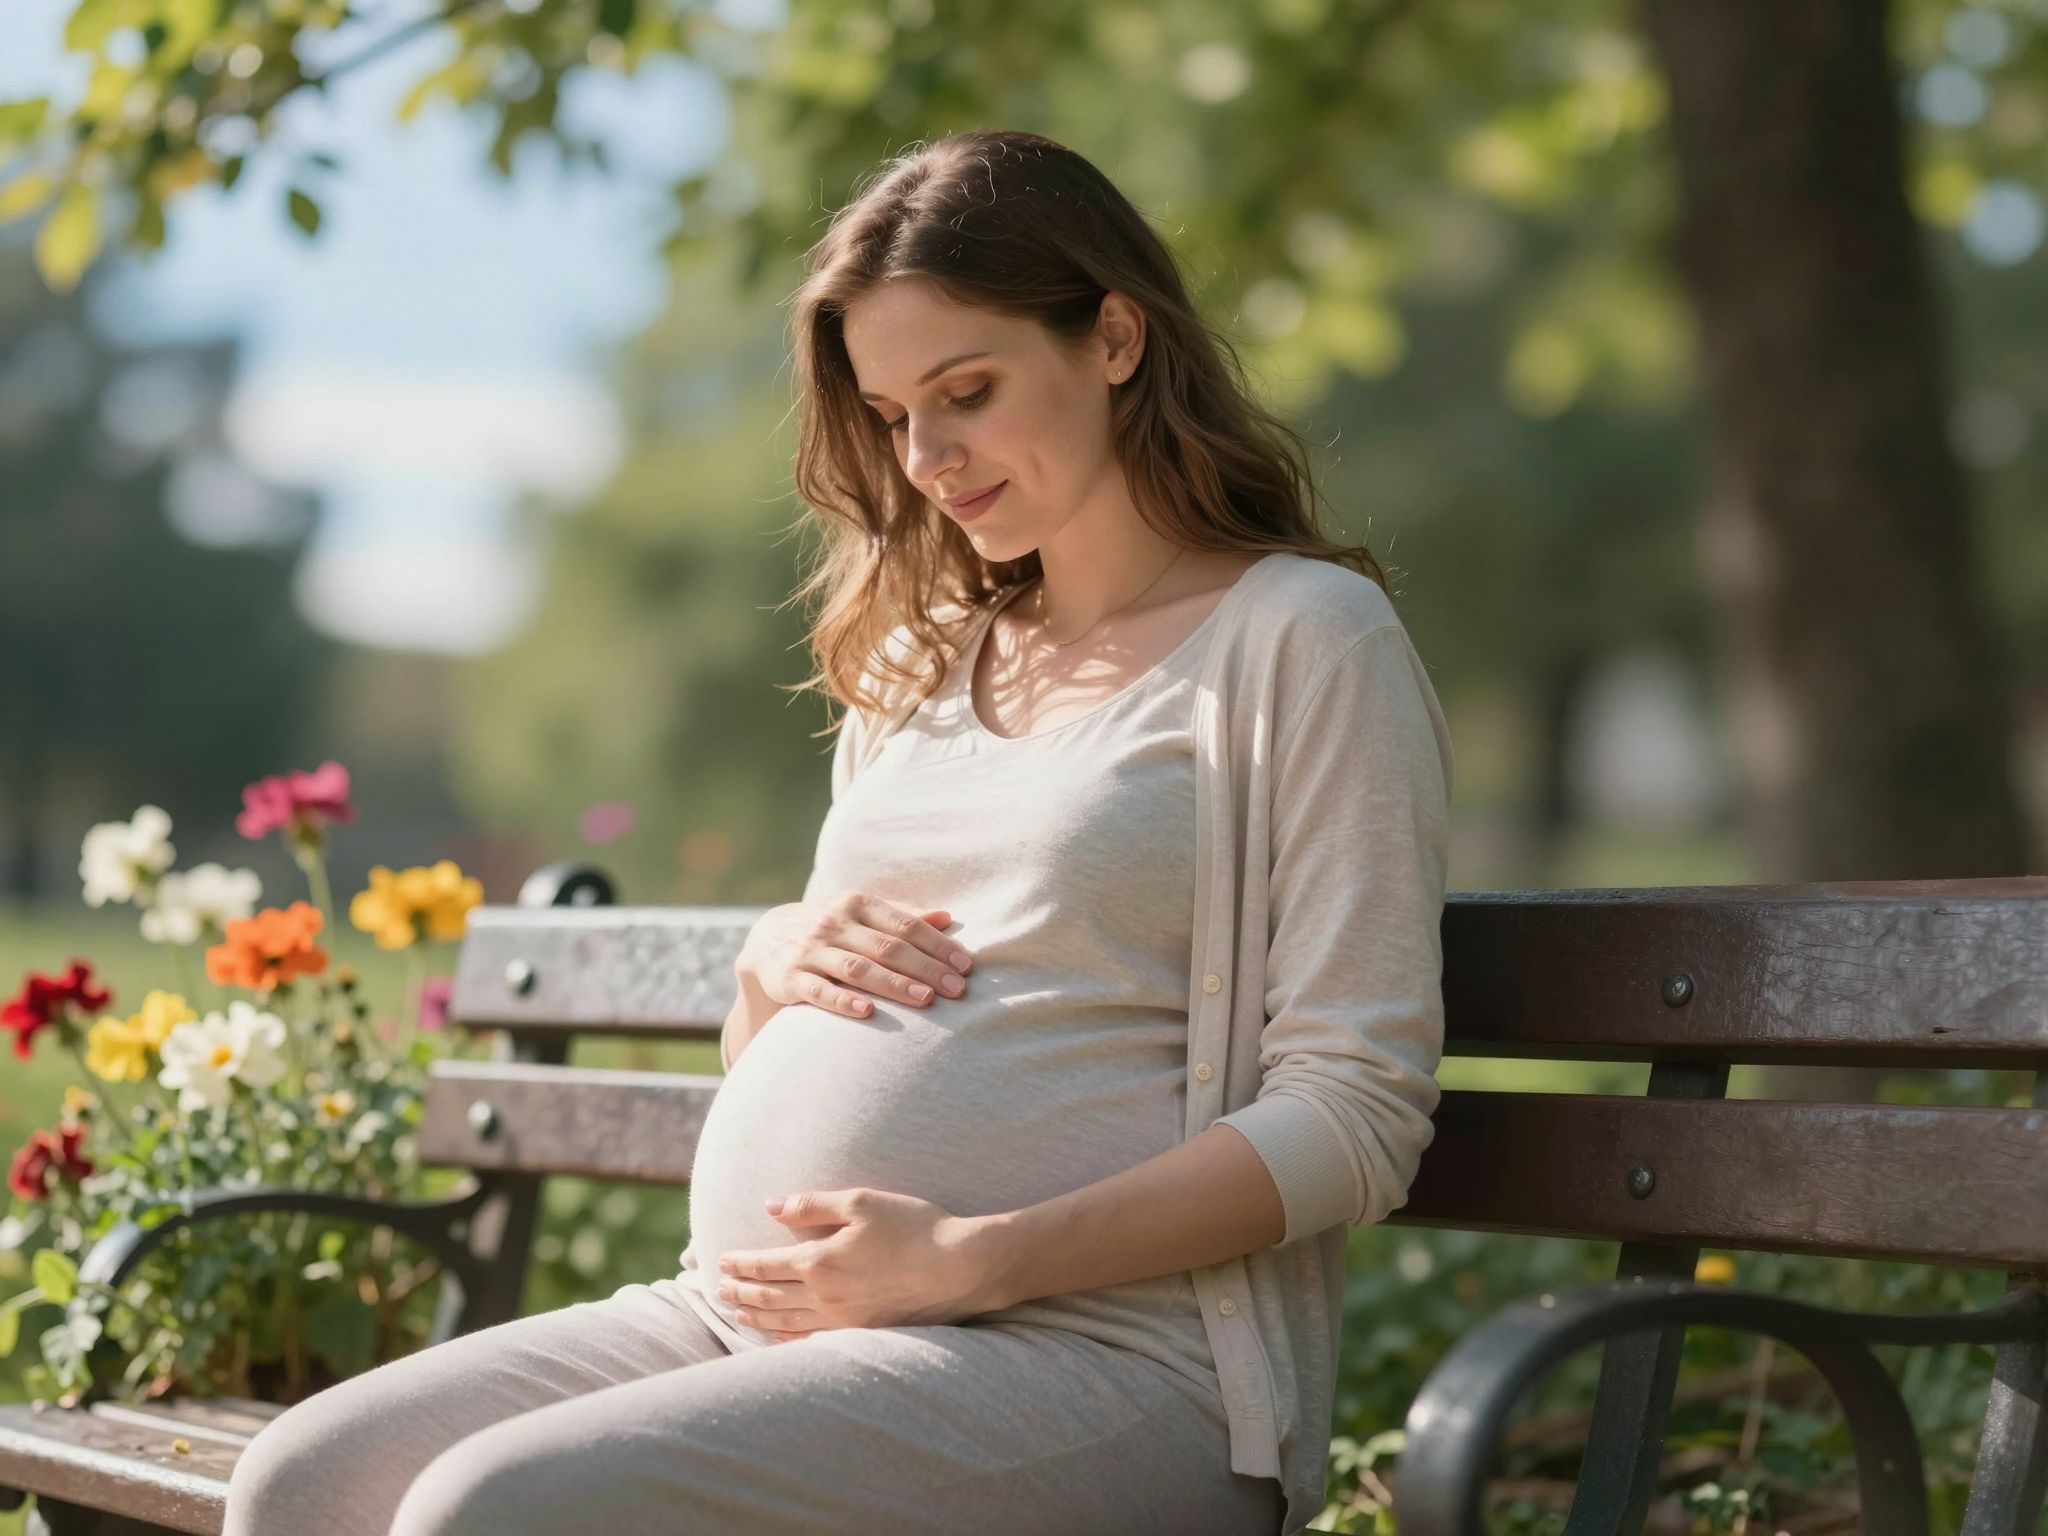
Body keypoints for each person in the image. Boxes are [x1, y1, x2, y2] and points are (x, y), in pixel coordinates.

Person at [224, 126, 1454, 1536]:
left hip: (1109, 1364)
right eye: (890, 415)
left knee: (495, 1510)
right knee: (305, 1484)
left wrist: (972, 1259)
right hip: (751, 1321)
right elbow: (794, 1046)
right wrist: (771, 964)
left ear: (1115, 337)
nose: (926, 457)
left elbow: (1356, 1115)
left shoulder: (1302, 642)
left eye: (967, 391)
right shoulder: (925, 663)